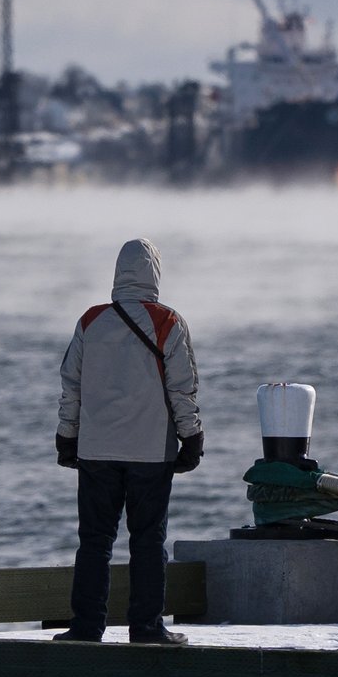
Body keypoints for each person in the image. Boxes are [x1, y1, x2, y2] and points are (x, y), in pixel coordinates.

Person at [54, 237, 204, 645]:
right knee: (148, 542)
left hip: (97, 452)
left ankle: (86, 628)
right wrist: (191, 439)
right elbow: (182, 389)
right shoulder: (168, 322)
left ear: (118, 274)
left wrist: (67, 437)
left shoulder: (91, 321)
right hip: (150, 453)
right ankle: (147, 628)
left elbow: (72, 387)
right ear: (154, 274)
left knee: (94, 543)